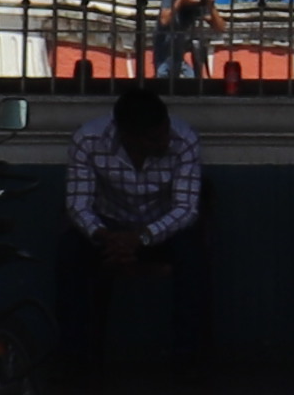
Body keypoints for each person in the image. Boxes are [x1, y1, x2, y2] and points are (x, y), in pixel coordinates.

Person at [64, 80, 211, 369]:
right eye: (153, 139)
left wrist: (141, 237)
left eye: (165, 131)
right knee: (70, 252)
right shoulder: (88, 140)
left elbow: (185, 209)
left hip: (163, 229)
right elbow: (78, 205)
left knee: (193, 256)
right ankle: (75, 359)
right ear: (127, 137)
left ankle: (189, 360)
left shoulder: (184, 139)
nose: (165, 142)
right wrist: (106, 236)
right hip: (107, 228)